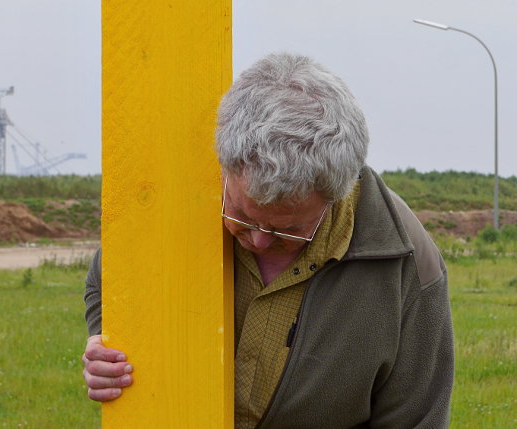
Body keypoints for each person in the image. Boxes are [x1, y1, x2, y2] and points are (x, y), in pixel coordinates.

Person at [82, 53, 454, 428]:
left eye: (286, 230)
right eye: (241, 216)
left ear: (337, 194)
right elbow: (109, 276)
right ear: (225, 166)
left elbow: (417, 418)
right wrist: (107, 342)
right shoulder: (167, 204)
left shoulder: (410, 265)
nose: (258, 241)